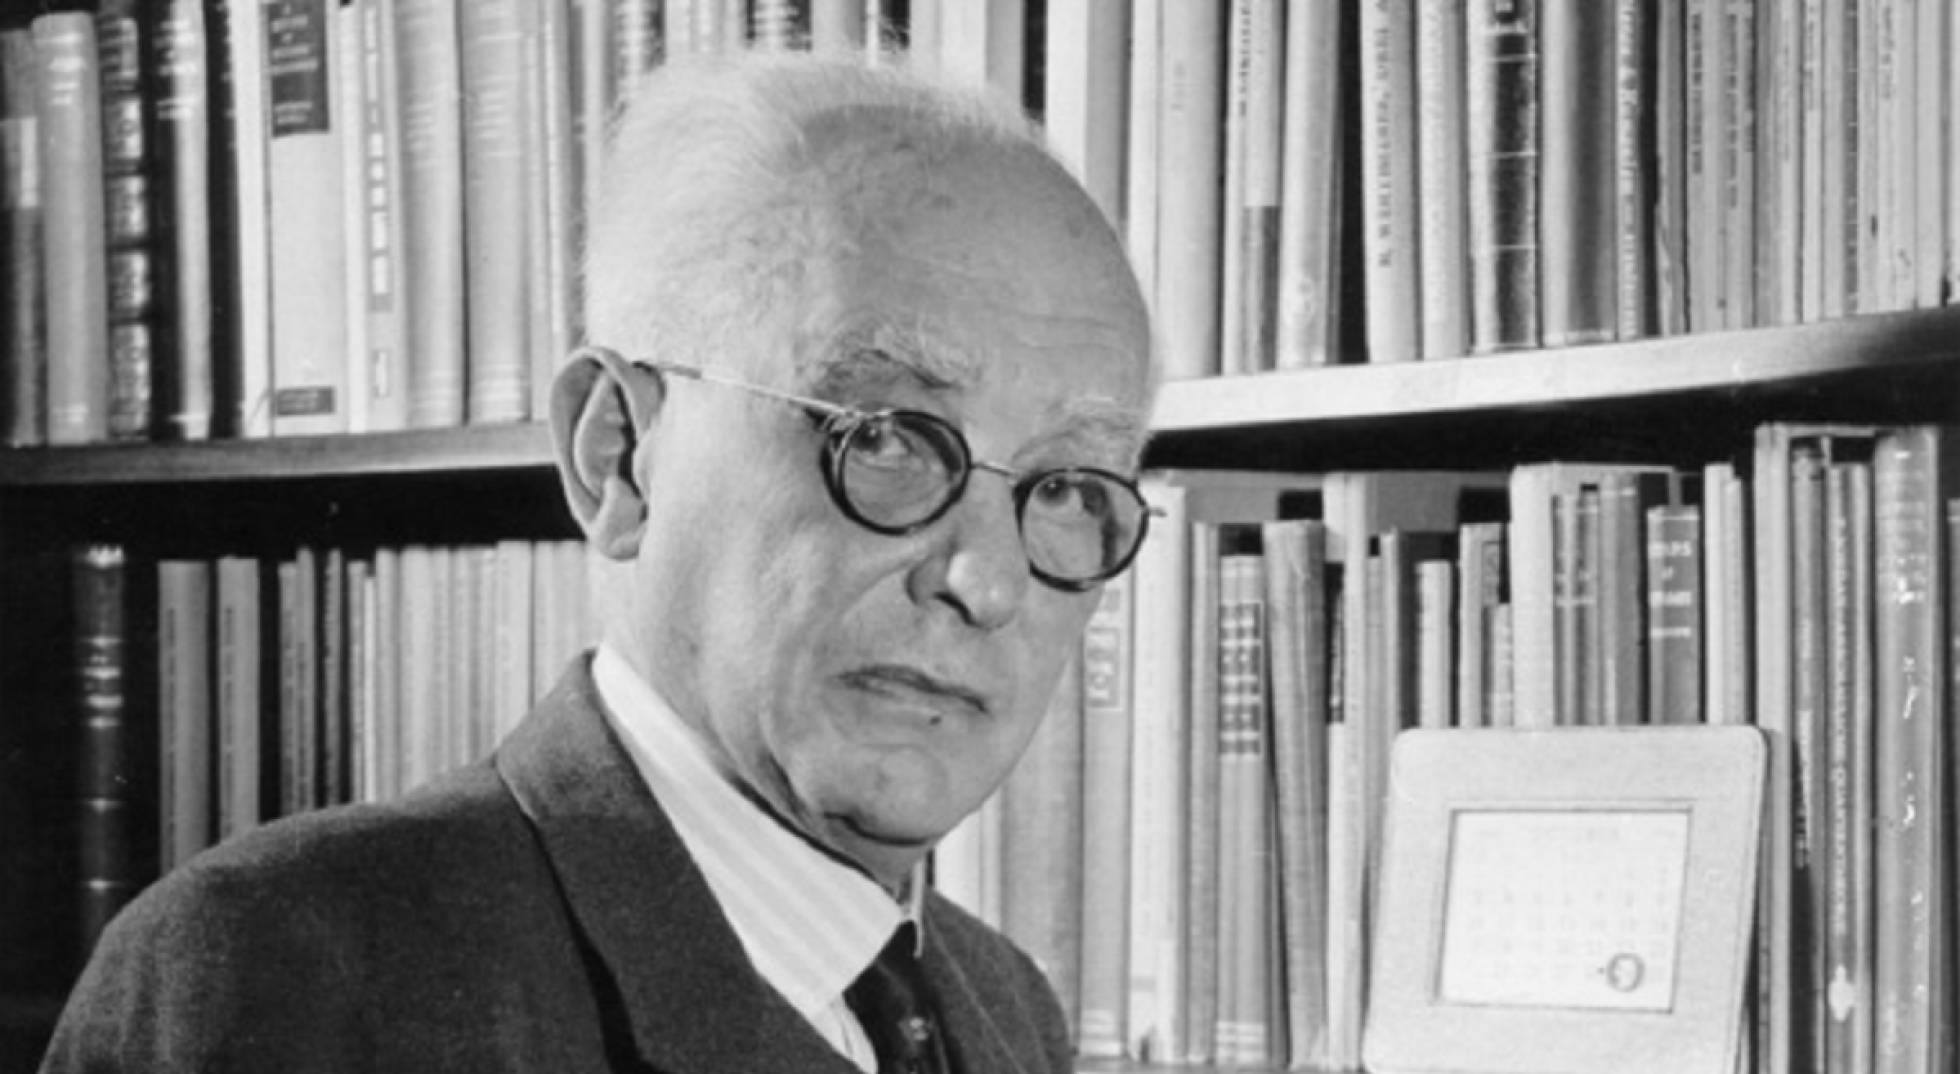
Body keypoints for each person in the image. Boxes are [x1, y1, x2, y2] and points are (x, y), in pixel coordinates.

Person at [41, 48, 1156, 1074]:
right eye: (888, 440)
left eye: (1068, 487)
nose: (985, 582)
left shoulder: (1005, 1007)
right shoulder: (290, 975)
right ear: (618, 456)